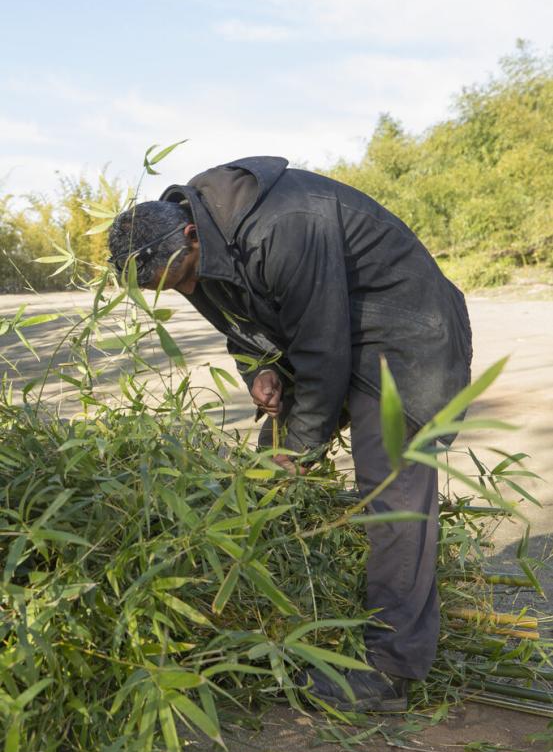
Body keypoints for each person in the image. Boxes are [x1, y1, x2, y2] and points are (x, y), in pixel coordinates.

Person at [108, 156, 472, 712]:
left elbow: (323, 351)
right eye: (170, 290)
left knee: (391, 495)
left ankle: (389, 670)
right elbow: (239, 323)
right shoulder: (197, 247)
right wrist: (260, 371)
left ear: (187, 233)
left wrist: (302, 449)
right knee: (264, 476)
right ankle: (268, 617)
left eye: (182, 278)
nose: (185, 291)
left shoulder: (283, 223)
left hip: (404, 334)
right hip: (328, 331)